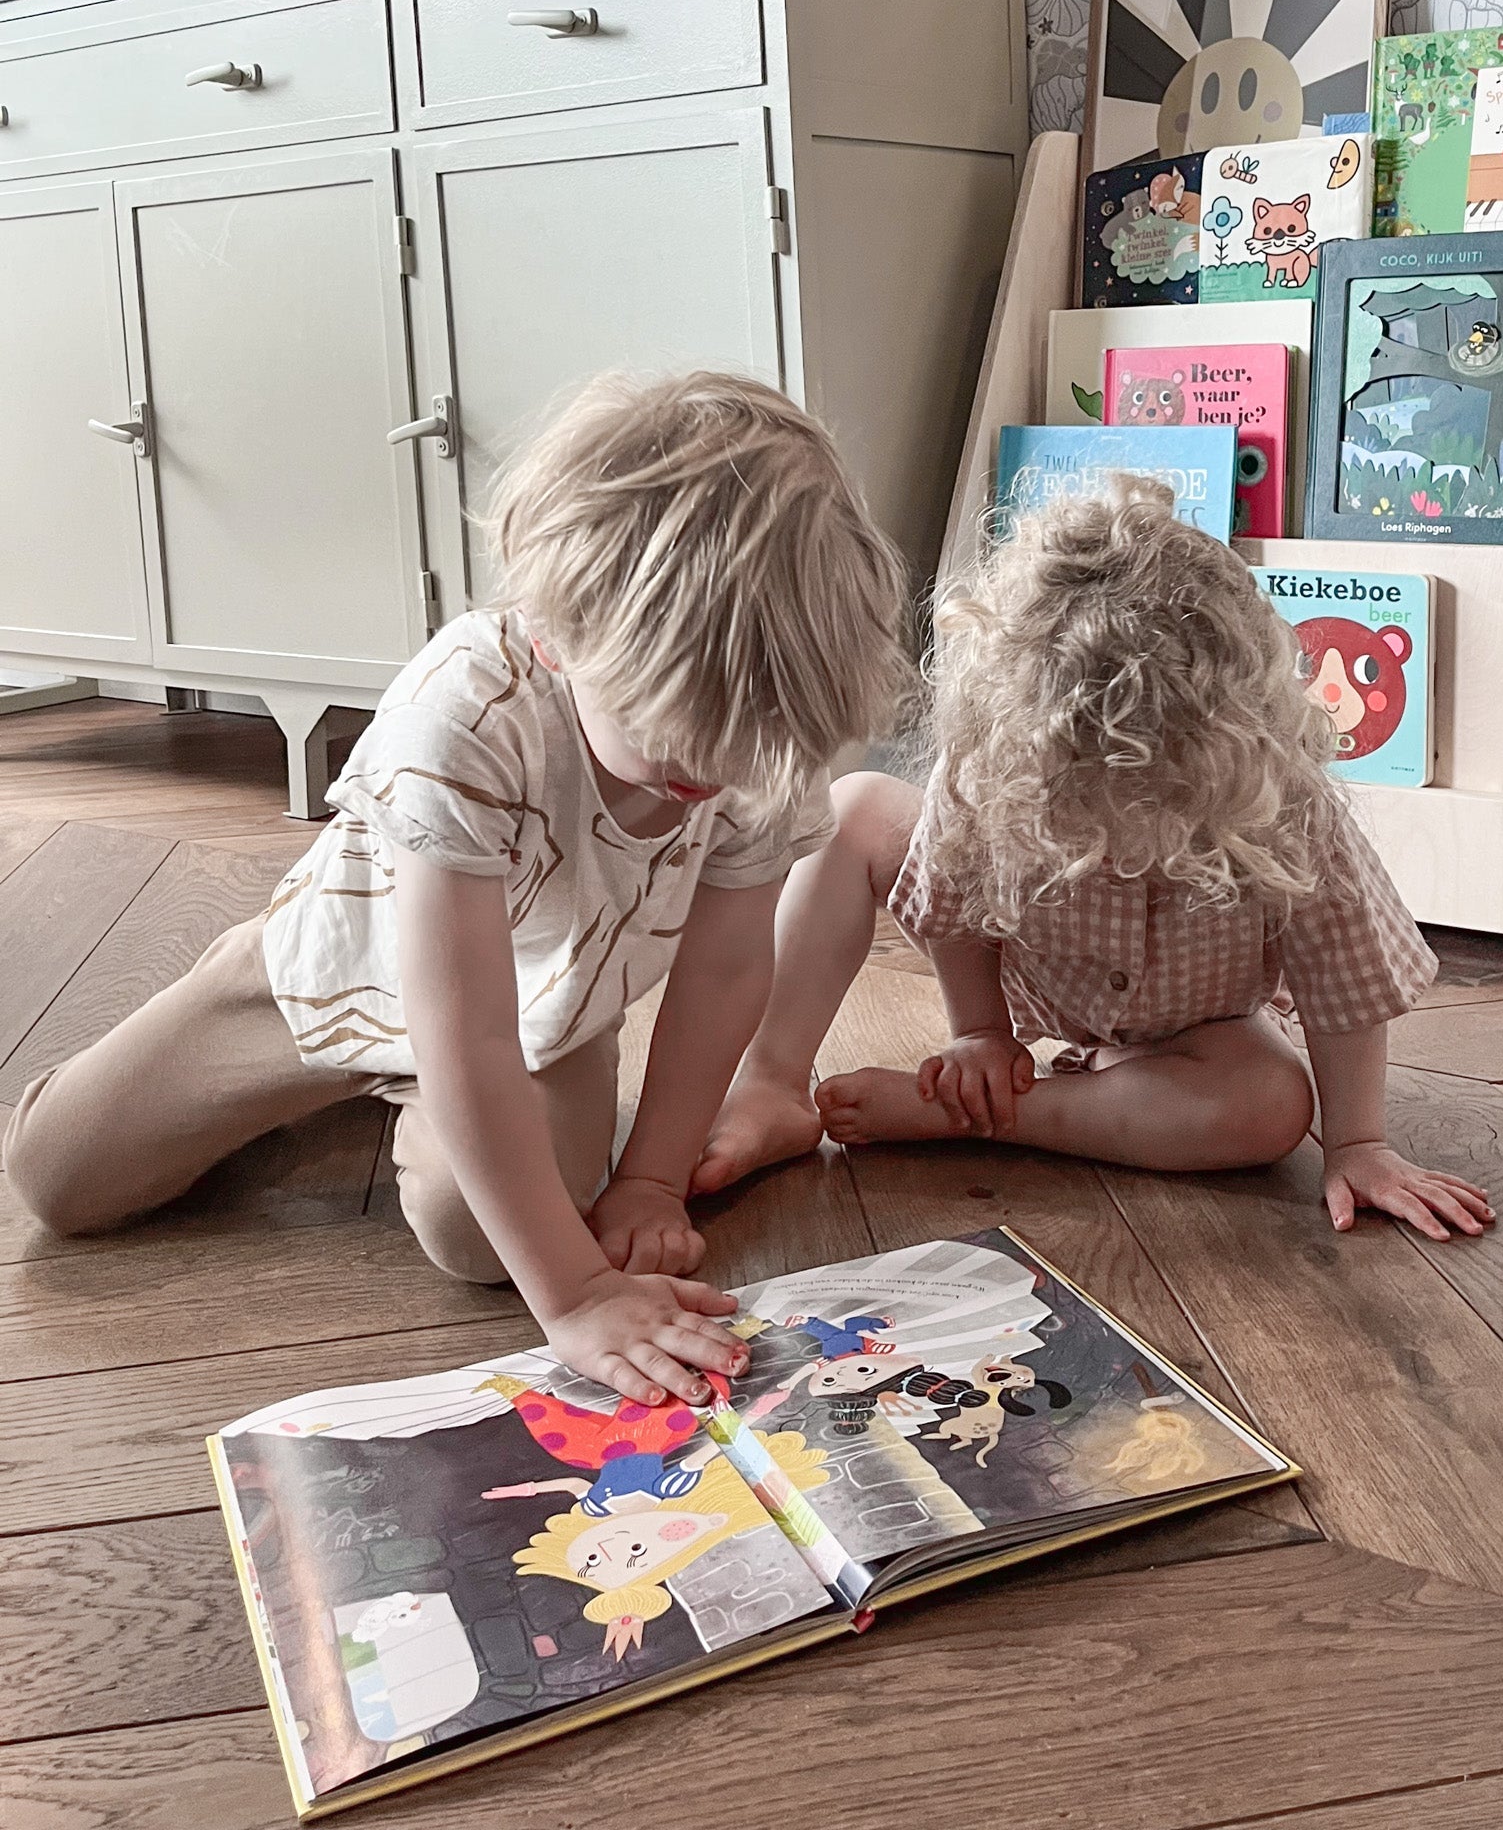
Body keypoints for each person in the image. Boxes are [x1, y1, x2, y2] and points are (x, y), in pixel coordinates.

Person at [3, 372, 909, 1399]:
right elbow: (459, 1023)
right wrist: (573, 1295)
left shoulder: (756, 738)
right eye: (670, 748)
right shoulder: (467, 711)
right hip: (339, 974)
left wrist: (652, 1176)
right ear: (560, 637)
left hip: (544, 1013)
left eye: (735, 752)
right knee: (54, 1173)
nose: (707, 776)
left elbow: (727, 966)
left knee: (478, 1236)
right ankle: (339, 1088)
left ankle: (425, 1118)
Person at [701, 476, 1494, 1243]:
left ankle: (997, 1120)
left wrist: (1355, 1144)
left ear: (1230, 749)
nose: (1114, 850)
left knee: (1271, 1107)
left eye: (1153, 810)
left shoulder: (1286, 805)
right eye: (1083, 812)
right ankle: (770, 1083)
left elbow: (1344, 982)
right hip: (1034, 970)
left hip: (1192, 1030)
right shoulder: (994, 764)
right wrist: (978, 1031)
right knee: (853, 810)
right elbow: (956, 893)